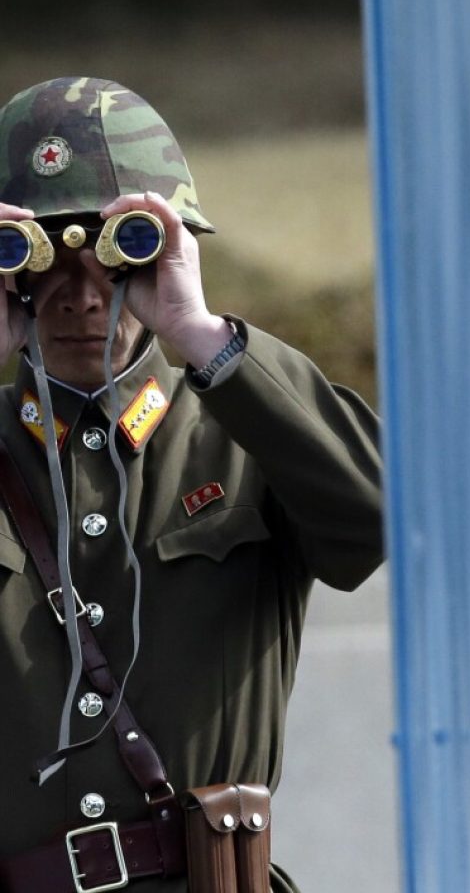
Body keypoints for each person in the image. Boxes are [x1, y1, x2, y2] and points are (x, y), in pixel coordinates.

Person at [0, 77, 384, 893]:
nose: (80, 294)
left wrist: (203, 337)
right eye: (41, 261)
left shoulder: (242, 436)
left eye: (115, 252)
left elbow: (378, 520)